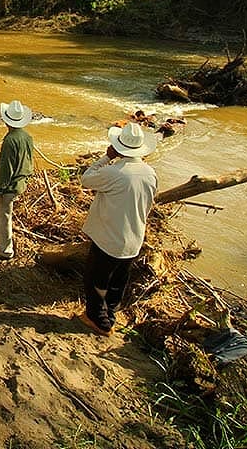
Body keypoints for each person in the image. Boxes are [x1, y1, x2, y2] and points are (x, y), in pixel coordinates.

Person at [79, 122, 158, 336]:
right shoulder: (150, 173)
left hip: (109, 237)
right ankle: (110, 316)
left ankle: (99, 321)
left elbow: (86, 179)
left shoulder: (114, 172)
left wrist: (106, 157)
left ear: (118, 147)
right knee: (117, 283)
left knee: (96, 280)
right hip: (134, 237)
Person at [0, 100, 35, 260]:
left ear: (6, 120)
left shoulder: (9, 140)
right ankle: (4, 241)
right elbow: (29, 161)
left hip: (10, 186)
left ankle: (6, 251)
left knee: (4, 218)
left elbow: (5, 171)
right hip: (21, 182)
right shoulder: (27, 137)